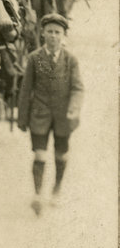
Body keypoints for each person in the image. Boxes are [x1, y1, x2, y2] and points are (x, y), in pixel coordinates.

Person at [17, 13, 84, 214]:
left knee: (61, 154)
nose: (53, 36)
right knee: (39, 154)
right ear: (43, 33)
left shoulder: (70, 59)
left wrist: (74, 107)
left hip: (64, 115)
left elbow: (77, 88)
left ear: (63, 36)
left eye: (57, 32)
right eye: (50, 32)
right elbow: (25, 90)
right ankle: (38, 194)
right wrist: (22, 117)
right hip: (40, 114)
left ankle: (56, 189)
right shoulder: (34, 58)